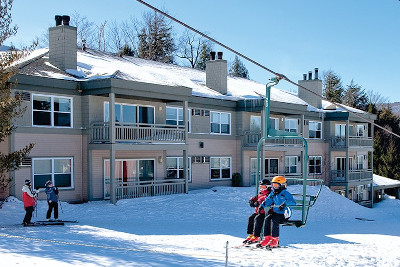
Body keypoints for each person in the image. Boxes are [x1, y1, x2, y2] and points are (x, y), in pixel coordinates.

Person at [258, 176, 296, 248]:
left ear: (282, 185)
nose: (274, 187)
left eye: (276, 185)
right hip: (276, 213)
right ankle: (267, 238)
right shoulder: (273, 193)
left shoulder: (285, 194)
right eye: (273, 185)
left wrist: (285, 204)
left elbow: (293, 202)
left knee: (274, 220)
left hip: (284, 214)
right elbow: (268, 200)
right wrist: (262, 206)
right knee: (267, 219)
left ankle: (275, 240)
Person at [243, 179, 272, 244]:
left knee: (258, 219)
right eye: (260, 187)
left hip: (265, 212)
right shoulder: (260, 193)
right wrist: (252, 200)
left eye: (263, 187)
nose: (261, 188)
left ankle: (257, 236)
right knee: (251, 218)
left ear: (268, 186)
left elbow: (264, 199)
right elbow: (256, 197)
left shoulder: (269, 194)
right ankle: (251, 234)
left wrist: (258, 203)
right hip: (258, 212)